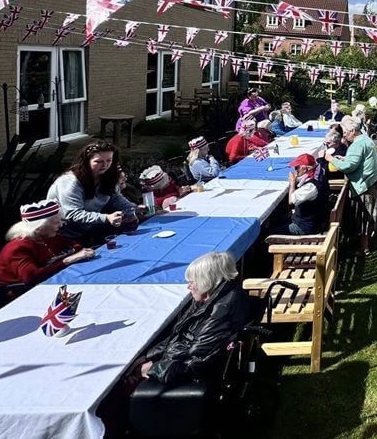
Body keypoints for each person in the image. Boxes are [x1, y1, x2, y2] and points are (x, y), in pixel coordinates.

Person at [138, 252, 251, 385]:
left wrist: (153, 368)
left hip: (191, 372)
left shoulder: (222, 308)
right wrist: (148, 356)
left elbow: (197, 355)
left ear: (207, 281)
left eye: (192, 282)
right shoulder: (210, 298)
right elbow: (179, 334)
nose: (189, 287)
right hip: (179, 360)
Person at [47, 141, 137, 244]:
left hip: (91, 229)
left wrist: (133, 208)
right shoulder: (71, 182)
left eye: (109, 160)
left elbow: (115, 197)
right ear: (86, 161)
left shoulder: (107, 176)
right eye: (99, 161)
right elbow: (72, 213)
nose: (105, 165)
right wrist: (106, 217)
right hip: (64, 235)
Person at [0, 200, 95, 292]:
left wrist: (65, 258)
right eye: (56, 223)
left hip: (53, 281)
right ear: (39, 227)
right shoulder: (18, 248)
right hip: (25, 292)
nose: (60, 225)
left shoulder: (49, 236)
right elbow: (31, 277)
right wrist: (66, 260)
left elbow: (77, 247)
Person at [327, 117, 377, 255]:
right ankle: (365, 243)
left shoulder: (357, 144)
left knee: (364, 217)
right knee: (366, 216)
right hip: (373, 180)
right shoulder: (365, 139)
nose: (345, 136)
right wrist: (345, 159)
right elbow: (356, 160)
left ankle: (363, 248)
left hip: (365, 184)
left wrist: (331, 159)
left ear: (353, 131)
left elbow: (349, 166)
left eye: (346, 133)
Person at [277, 154, 330, 236]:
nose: (296, 170)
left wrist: (292, 183)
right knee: (276, 219)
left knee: (269, 231)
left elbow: (291, 201)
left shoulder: (311, 186)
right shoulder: (319, 173)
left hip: (306, 227)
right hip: (314, 218)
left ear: (306, 169)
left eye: (297, 167)